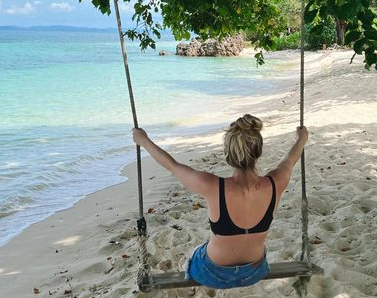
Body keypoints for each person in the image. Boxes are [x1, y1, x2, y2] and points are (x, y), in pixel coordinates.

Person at [132, 114, 309, 289]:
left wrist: (144, 141)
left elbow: (172, 165)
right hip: (255, 272)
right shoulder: (276, 182)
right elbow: (290, 159)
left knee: (197, 252)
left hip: (213, 274)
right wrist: (301, 139)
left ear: (227, 154)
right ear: (258, 152)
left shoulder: (212, 186)